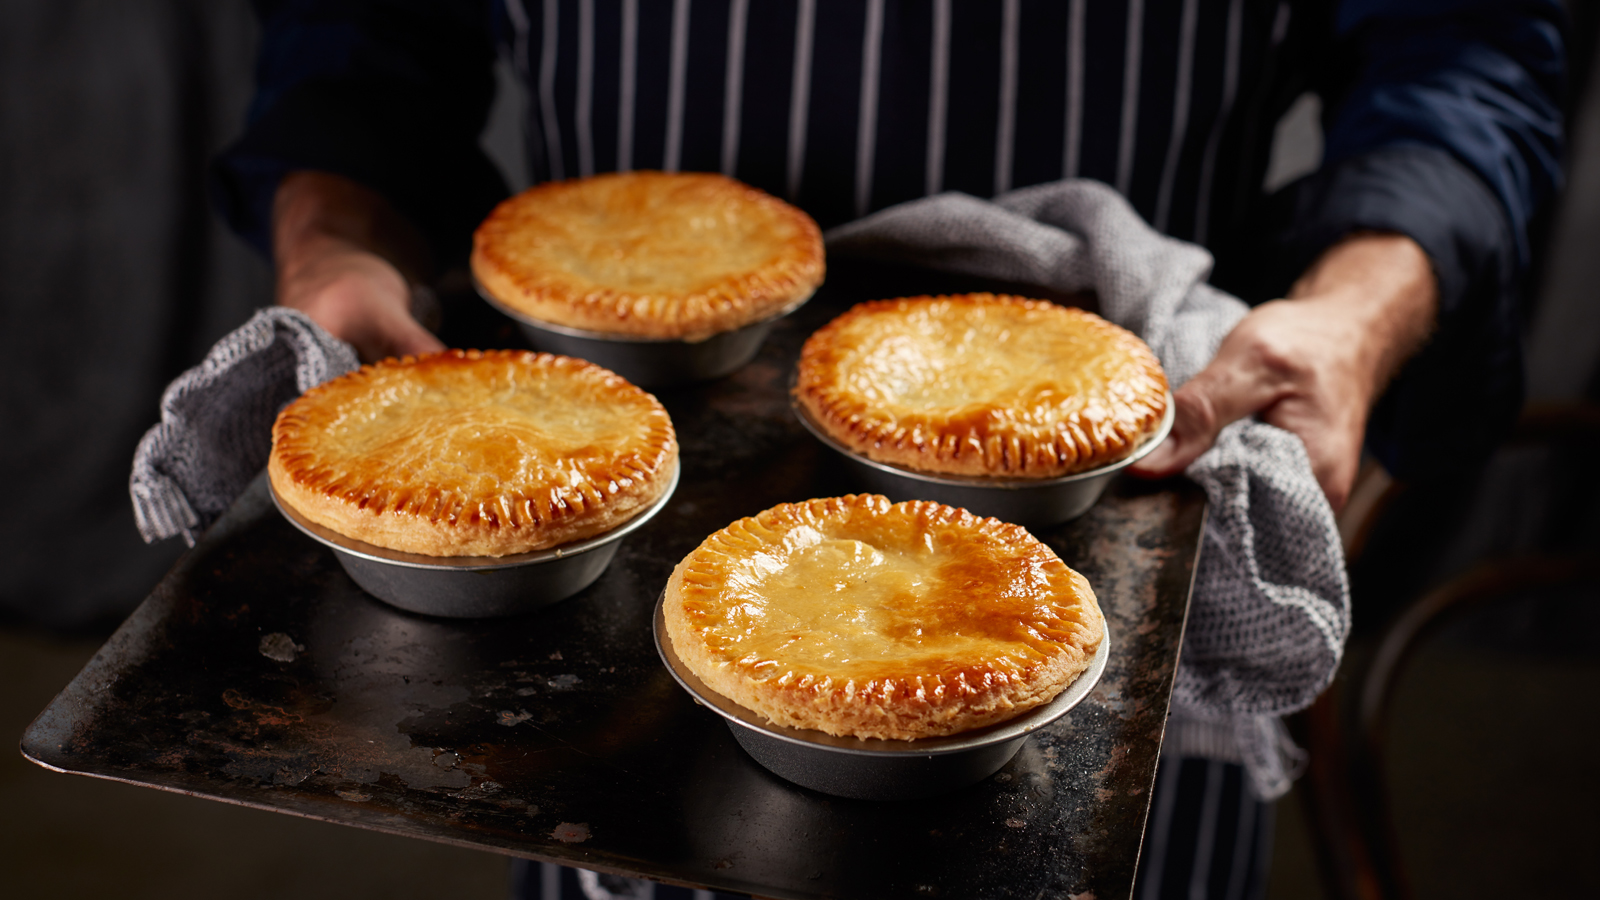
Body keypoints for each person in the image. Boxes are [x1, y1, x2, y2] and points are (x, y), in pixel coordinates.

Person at [214, 2, 1565, 897]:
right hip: (609, 579)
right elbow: (359, 38)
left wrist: (1353, 313)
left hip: (1118, 546)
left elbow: (1465, 42)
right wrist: (331, 240)